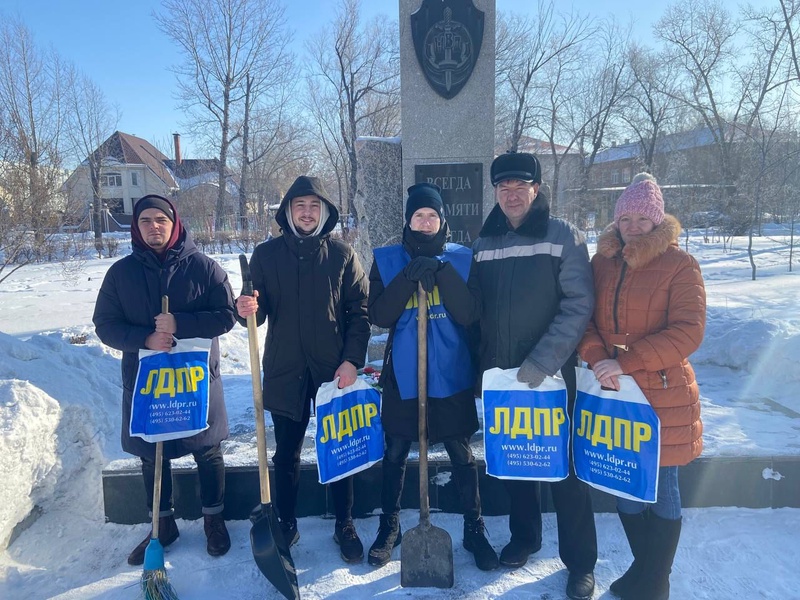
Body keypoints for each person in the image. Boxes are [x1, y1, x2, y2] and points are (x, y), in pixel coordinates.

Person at [469, 152, 598, 600]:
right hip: (503, 375)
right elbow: (476, 309)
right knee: (518, 460)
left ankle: (580, 563)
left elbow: (578, 305)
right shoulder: (484, 242)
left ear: (536, 189)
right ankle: (526, 537)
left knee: (565, 470)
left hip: (552, 374)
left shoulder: (563, 236)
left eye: (519, 186)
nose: (511, 194)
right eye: (502, 188)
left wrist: (543, 361)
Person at [578, 173, 705, 600]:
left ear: (657, 220)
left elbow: (689, 331)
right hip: (613, 389)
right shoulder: (602, 263)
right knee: (626, 485)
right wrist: (598, 358)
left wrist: (626, 362)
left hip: (661, 392)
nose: (632, 225)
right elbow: (586, 319)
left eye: (641, 218)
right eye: (625, 217)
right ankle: (648, 573)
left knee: (661, 486)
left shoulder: (680, 265)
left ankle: (654, 583)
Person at [93, 194, 236, 566]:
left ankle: (213, 519)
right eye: (146, 221)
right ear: (136, 227)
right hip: (148, 382)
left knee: (207, 449)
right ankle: (162, 524)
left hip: (195, 380)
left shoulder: (205, 269)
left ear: (174, 224)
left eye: (161, 220)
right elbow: (105, 325)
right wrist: (145, 338)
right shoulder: (120, 274)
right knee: (151, 454)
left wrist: (180, 325)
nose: (154, 226)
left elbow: (225, 316)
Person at [235, 175, 370, 563]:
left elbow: (359, 313)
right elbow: (254, 313)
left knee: (341, 448)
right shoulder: (266, 255)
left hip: (333, 371)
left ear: (324, 212)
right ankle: (286, 521)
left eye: (314, 206)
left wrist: (351, 361)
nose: (307, 213)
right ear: (288, 212)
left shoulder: (343, 256)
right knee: (286, 453)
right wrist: (243, 307)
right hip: (284, 368)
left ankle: (344, 522)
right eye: (300, 206)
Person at [366, 183, 499, 571]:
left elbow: (469, 312)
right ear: (408, 221)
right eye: (418, 216)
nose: (425, 222)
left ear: (443, 221)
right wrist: (408, 277)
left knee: (460, 451)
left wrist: (441, 272)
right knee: (394, 451)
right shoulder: (387, 260)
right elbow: (380, 314)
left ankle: (474, 527)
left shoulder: (461, 259)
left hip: (450, 374)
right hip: (404, 377)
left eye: (432, 216)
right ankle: (389, 525)